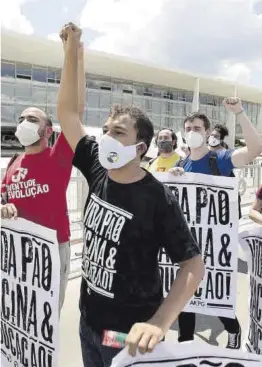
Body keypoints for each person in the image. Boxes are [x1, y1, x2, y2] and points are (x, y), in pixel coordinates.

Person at [57, 22, 205, 367]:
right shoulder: (96, 166)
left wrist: (159, 322)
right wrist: (72, 51)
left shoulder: (156, 197)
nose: (106, 138)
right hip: (88, 323)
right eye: (106, 130)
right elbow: (68, 113)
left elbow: (193, 265)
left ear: (140, 147)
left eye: (117, 133)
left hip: (126, 336)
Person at [0, 43, 86, 313]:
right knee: (16, 312)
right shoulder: (13, 162)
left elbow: (73, 109)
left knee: (45, 316)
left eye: (32, 119)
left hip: (50, 248)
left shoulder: (57, 156)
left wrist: (72, 53)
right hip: (16, 247)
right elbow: (2, 195)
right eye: (22, 117)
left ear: (48, 130)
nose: (24, 122)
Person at [169, 104, 262, 349]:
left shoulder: (218, 160)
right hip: (187, 244)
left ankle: (233, 330)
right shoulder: (181, 164)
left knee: (215, 292)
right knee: (184, 298)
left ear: (207, 131)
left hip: (215, 245)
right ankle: (186, 347)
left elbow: (254, 149)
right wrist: (173, 179)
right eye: (188, 128)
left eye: (197, 128)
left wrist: (241, 112)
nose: (192, 132)